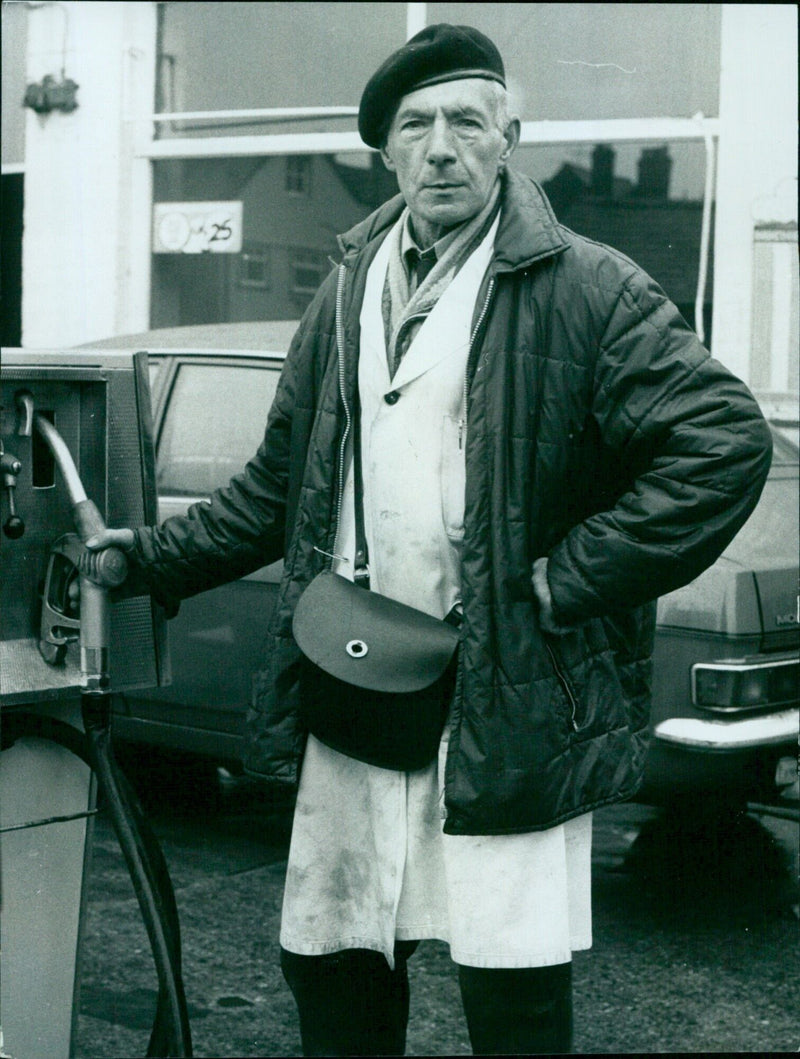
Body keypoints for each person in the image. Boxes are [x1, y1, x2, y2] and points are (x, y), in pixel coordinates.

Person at [89, 24, 773, 1056]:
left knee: (511, 987)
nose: (440, 146)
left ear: (510, 138)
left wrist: (567, 578)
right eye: (416, 125)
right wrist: (145, 559)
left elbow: (720, 444)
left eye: (465, 120)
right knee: (336, 961)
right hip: (357, 676)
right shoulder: (346, 288)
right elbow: (278, 487)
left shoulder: (587, 287)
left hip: (507, 694)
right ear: (386, 153)